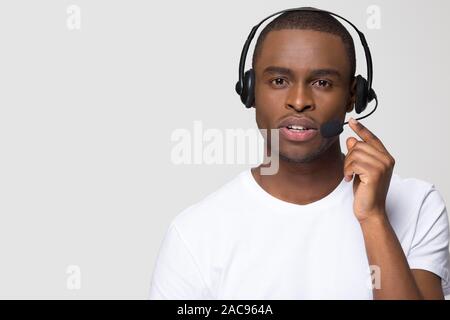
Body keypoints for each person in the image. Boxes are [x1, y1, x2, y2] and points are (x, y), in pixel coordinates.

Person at [149, 9, 450, 299]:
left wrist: (373, 217)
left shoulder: (417, 205)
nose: (299, 101)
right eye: (279, 81)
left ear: (353, 96)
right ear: (250, 92)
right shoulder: (194, 234)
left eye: (322, 83)